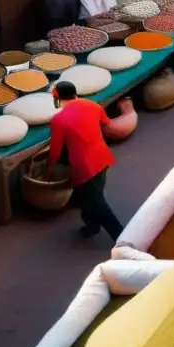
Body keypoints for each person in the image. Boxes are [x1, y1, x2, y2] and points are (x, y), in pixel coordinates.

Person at [45, 81, 124, 240]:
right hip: (102, 157)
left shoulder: (58, 120)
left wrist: (49, 168)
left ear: (57, 98)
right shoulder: (94, 106)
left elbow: (56, 150)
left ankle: (121, 236)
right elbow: (107, 123)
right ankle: (92, 226)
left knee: (97, 201)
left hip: (84, 166)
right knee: (90, 195)